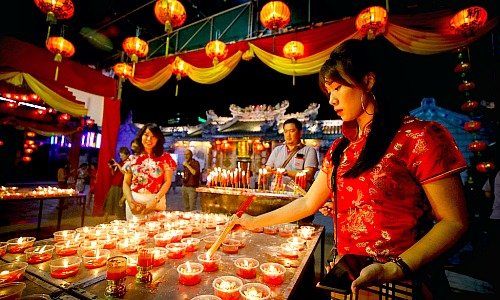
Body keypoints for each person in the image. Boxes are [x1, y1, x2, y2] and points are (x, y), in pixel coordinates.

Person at [236, 39, 468, 298]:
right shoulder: (340, 149)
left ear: (368, 82)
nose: (332, 99)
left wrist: (395, 268)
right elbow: (308, 203)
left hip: (402, 280)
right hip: (350, 276)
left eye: (337, 88)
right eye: (328, 91)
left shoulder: (419, 137)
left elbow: (454, 221)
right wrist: (253, 222)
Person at [123, 123, 176, 220]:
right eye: (146, 135)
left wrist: (154, 201)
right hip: (134, 203)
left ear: (158, 139)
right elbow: (126, 183)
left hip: (155, 202)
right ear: (141, 136)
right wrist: (130, 202)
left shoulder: (165, 158)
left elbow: (167, 182)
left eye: (153, 136)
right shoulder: (132, 158)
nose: (149, 139)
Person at [265, 118, 319, 189]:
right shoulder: (277, 150)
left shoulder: (309, 150)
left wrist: (286, 172)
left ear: (300, 132)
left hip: (298, 193)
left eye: (292, 131)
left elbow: (309, 175)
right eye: (286, 131)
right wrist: (268, 171)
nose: (288, 135)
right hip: (278, 190)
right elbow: (268, 169)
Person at [483, 169, 500, 292]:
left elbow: (487, 193)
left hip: (496, 216)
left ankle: (495, 282)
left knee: (495, 250)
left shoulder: (495, 174)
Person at [104, 147, 130, 221]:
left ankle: (120, 219)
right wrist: (111, 168)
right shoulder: (120, 162)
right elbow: (114, 174)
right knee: (110, 201)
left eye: (122, 155)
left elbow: (124, 173)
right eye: (120, 155)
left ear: (127, 155)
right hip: (114, 184)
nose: (121, 157)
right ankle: (106, 219)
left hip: (121, 185)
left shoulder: (128, 162)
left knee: (119, 202)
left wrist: (118, 165)